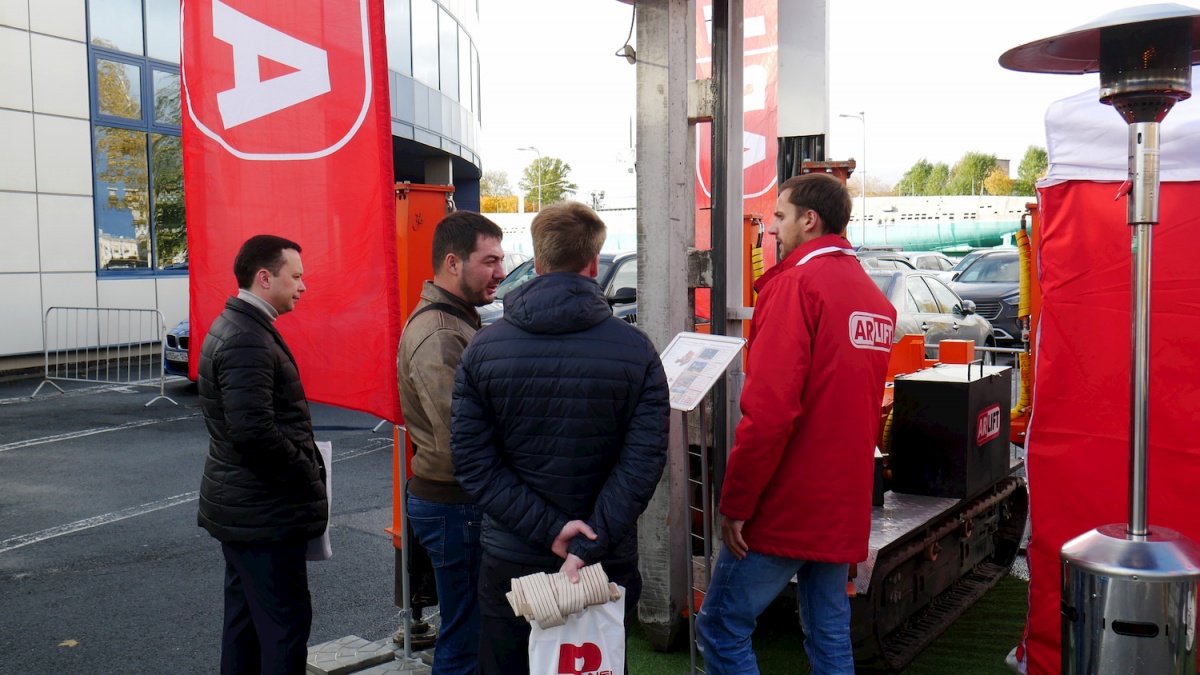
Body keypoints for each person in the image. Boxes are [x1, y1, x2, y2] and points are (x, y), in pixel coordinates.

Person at [451, 201, 670, 675]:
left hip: (514, 555)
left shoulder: (483, 348)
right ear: (592, 263)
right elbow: (643, 462)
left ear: (538, 260)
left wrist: (550, 529)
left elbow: (472, 461)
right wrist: (586, 541)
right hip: (603, 555)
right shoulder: (636, 350)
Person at [695, 174, 896, 674]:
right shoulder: (872, 298)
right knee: (829, 632)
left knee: (720, 627)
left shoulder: (795, 286)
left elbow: (769, 412)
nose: (773, 229)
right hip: (841, 499)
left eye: (780, 217)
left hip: (788, 501)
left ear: (810, 220)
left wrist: (736, 503)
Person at [197, 234, 327, 675]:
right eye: (296, 276)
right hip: (263, 515)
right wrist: (306, 471)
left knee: (246, 625)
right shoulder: (246, 338)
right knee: (284, 628)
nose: (303, 286)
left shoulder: (240, 326)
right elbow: (253, 433)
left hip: (247, 511)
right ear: (265, 278)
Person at [397, 211, 506, 674]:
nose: (501, 272)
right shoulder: (441, 331)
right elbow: (459, 437)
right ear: (453, 263)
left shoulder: (456, 320)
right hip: (455, 503)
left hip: (455, 501)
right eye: (490, 261)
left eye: (501, 260)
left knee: (470, 630)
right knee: (465, 637)